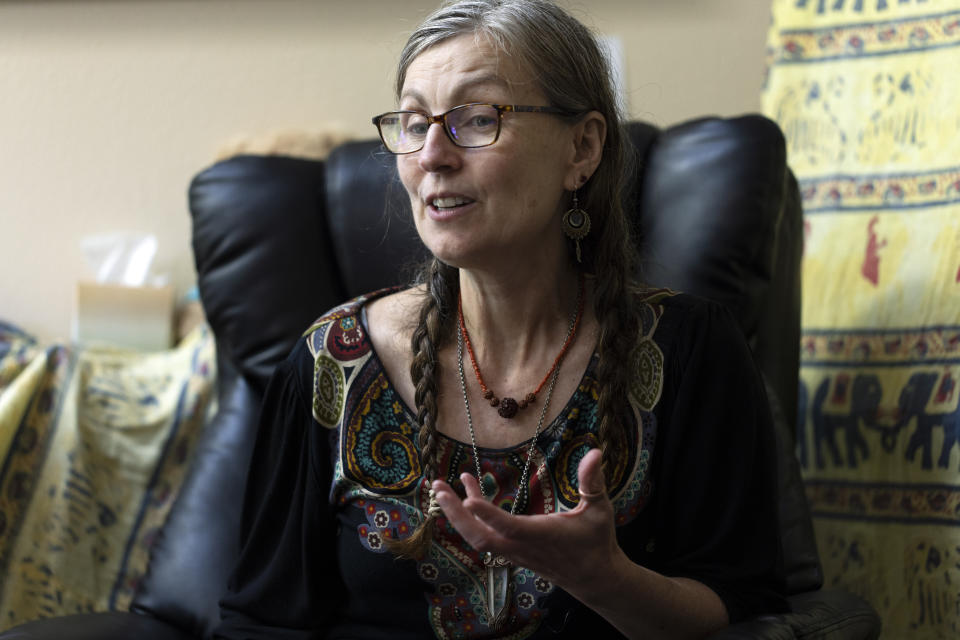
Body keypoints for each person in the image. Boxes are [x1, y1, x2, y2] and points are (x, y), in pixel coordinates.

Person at [214, 1, 787, 638]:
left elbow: (747, 610)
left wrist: (605, 578)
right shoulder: (332, 361)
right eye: (412, 123)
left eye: (476, 118)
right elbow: (260, 624)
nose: (432, 153)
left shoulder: (689, 350)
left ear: (582, 147)